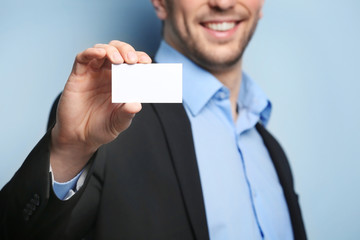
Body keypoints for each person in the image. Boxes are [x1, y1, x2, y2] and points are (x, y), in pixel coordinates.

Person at [0, 0, 307, 239]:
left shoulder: (271, 149)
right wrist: (69, 149)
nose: (223, 3)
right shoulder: (103, 122)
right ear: (160, 1)